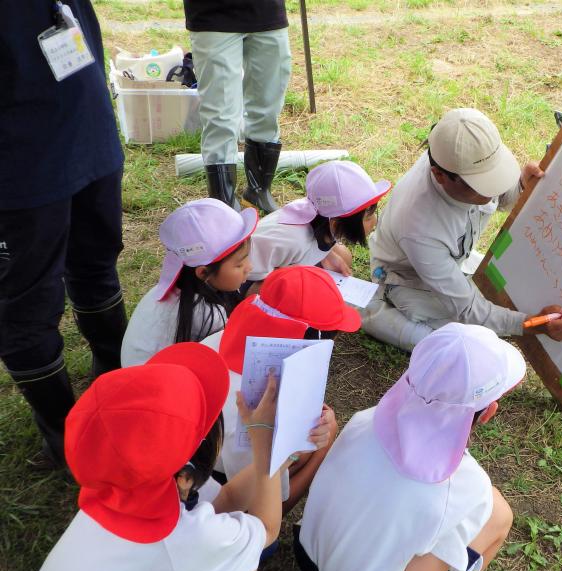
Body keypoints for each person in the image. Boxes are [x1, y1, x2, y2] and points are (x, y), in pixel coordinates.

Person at [15, 342, 284, 571]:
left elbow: (223, 499)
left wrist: (273, 458)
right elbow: (266, 530)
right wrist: (267, 445)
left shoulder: (120, 486)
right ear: (188, 468)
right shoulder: (182, 539)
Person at [294, 323, 523, 571]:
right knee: (499, 515)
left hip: (307, 554)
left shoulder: (366, 419)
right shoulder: (463, 487)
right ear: (488, 413)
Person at [1, 1, 128, 468]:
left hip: (88, 135)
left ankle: (114, 374)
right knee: (27, 307)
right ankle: (66, 438)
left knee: (96, 262)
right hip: (22, 165)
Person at [361, 107, 562, 351]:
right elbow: (468, 308)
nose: (491, 191)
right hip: (408, 278)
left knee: (498, 292)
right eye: (480, 185)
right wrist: (532, 324)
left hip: (451, 260)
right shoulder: (420, 227)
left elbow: (500, 198)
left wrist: (521, 185)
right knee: (464, 340)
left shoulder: (467, 152)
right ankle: (377, 309)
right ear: (439, 176)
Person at [202, 265, 361, 512]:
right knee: (325, 436)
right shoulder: (262, 406)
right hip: (220, 494)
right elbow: (259, 504)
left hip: (199, 463)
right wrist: (296, 452)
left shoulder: (221, 338)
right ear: (310, 339)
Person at [121, 198, 256, 367]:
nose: (249, 267)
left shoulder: (169, 289)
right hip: (155, 386)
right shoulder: (208, 314)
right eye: (239, 264)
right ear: (203, 272)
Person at [184, 0, 291, 212]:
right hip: (213, 16)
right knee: (221, 115)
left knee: (268, 107)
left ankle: (259, 190)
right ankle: (223, 202)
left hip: (267, 12)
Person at [246, 160, 391, 290]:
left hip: (286, 263)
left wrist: (327, 255)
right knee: (302, 289)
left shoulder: (322, 217)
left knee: (342, 255)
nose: (375, 221)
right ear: (335, 223)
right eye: (368, 217)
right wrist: (304, 277)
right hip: (247, 279)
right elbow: (245, 272)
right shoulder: (294, 241)